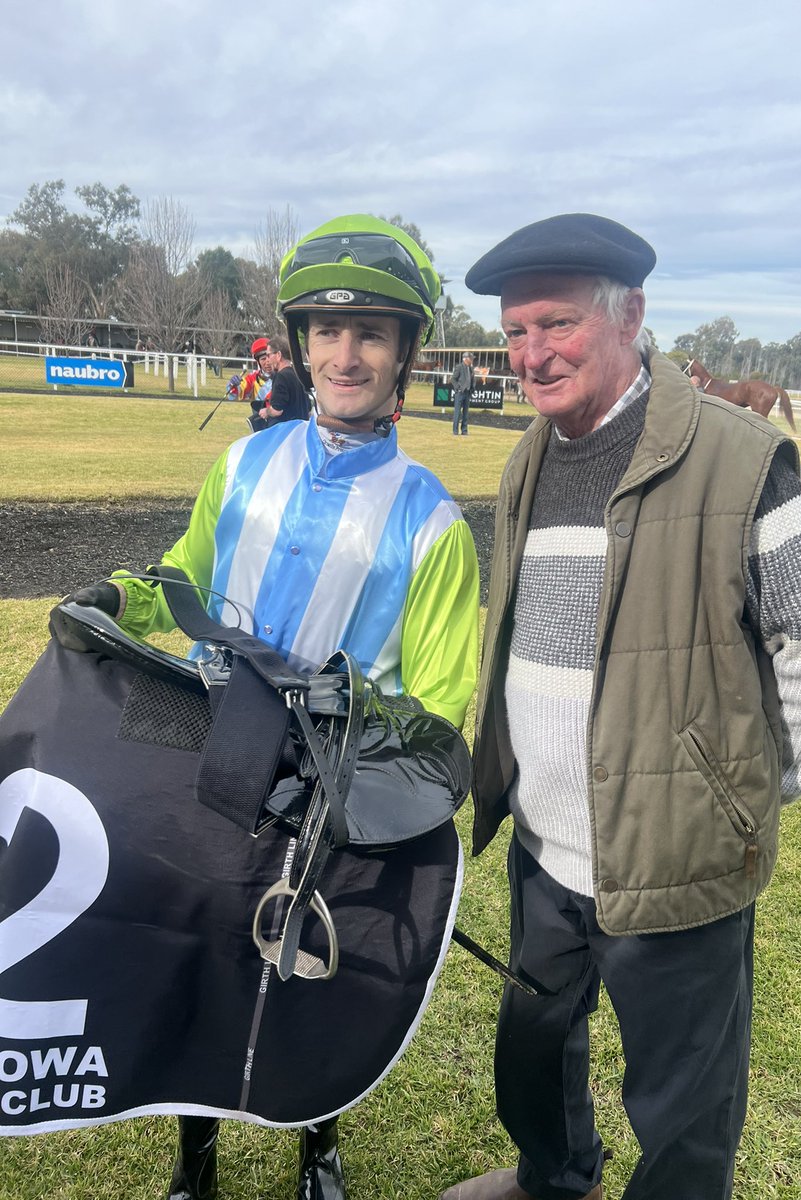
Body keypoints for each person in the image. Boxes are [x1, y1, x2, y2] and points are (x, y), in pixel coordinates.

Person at [439, 213, 801, 1200]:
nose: (532, 354)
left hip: (676, 866)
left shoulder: (738, 459)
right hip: (545, 850)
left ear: (630, 315)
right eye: (515, 333)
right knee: (534, 1051)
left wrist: (735, 794)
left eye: (556, 324)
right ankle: (557, 1177)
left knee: (683, 1108)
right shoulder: (529, 458)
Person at [70, 214, 480, 1200]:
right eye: (328, 333)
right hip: (214, 763)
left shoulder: (434, 525)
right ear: (300, 343)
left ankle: (318, 1149)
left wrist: (345, 748)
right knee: (197, 958)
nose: (345, 355)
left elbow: (437, 709)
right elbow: (183, 574)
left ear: (404, 353)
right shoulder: (242, 469)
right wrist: (117, 599)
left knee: (311, 979)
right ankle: (194, 1162)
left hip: (333, 797)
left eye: (372, 334)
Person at [258, 332, 312, 424]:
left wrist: (266, 411)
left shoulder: (281, 377)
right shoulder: (298, 375)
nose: (267, 360)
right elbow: (308, 409)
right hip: (300, 431)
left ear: (278, 355)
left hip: (285, 433)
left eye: (268, 355)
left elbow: (277, 410)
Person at [227, 336, 272, 426]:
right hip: (262, 427)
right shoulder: (252, 379)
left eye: (269, 357)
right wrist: (233, 385)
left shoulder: (284, 375)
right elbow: (234, 394)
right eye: (263, 359)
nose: (268, 362)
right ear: (258, 361)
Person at [451, 352, 475, 435]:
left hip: (468, 393)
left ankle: (464, 430)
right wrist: (458, 388)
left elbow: (472, 379)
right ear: (466, 359)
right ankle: (455, 431)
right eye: (471, 358)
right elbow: (453, 379)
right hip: (460, 393)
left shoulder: (471, 368)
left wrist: (472, 388)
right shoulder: (459, 367)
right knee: (457, 412)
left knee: (465, 413)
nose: (472, 360)